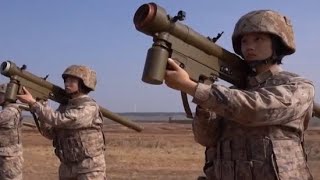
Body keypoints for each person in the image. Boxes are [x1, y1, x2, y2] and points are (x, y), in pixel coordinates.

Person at [164, 10, 315, 179]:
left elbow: (256, 109)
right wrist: (204, 105)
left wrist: (191, 87)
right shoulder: (232, 94)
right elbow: (206, 138)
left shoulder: (298, 86)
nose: (249, 46)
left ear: (277, 44)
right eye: (244, 41)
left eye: (258, 39)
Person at [17, 65, 107, 180]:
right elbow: (50, 133)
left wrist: (35, 104)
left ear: (84, 83)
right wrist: (41, 105)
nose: (67, 83)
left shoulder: (89, 107)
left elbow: (61, 120)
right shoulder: (65, 106)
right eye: (66, 80)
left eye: (72, 80)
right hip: (67, 167)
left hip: (89, 168)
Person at [0, 83, 24, 180]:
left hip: (9, 160)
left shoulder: (10, 111)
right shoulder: (10, 109)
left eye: (0, 95)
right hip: (6, 156)